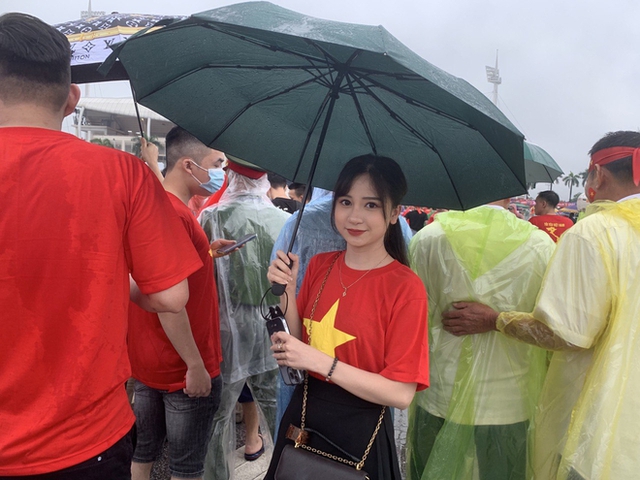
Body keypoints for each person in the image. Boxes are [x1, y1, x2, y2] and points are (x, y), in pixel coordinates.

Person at [0, 13, 202, 478]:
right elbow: (171, 295)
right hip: (86, 441)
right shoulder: (121, 173)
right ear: (72, 97)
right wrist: (115, 280)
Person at [441, 131, 640, 479]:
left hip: (599, 426)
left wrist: (496, 319)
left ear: (597, 174)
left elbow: (566, 333)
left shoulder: (594, 233)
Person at [265, 155, 429, 480]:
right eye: (345, 202)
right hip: (304, 416)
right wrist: (285, 290)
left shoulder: (405, 287)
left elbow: (400, 393)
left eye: (371, 205)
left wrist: (318, 361)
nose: (354, 217)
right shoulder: (321, 265)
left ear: (395, 212)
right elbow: (299, 342)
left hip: (361, 430)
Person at [406, 198, 555, 480]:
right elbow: (550, 328)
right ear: (511, 195)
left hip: (439, 391)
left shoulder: (428, 240)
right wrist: (498, 320)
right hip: (508, 399)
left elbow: (412, 316)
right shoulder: (540, 246)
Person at [128, 127, 231, 480]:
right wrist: (196, 364)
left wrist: (206, 251)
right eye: (217, 163)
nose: (223, 171)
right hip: (182, 366)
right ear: (189, 166)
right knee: (185, 468)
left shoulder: (154, 204)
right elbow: (171, 302)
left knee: (143, 452)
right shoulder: (174, 214)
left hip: (149, 359)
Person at [199, 159, 289, 480]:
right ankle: (288, 471)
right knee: (278, 408)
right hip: (273, 324)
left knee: (218, 414)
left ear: (230, 175)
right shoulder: (284, 221)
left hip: (226, 326)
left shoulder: (211, 217)